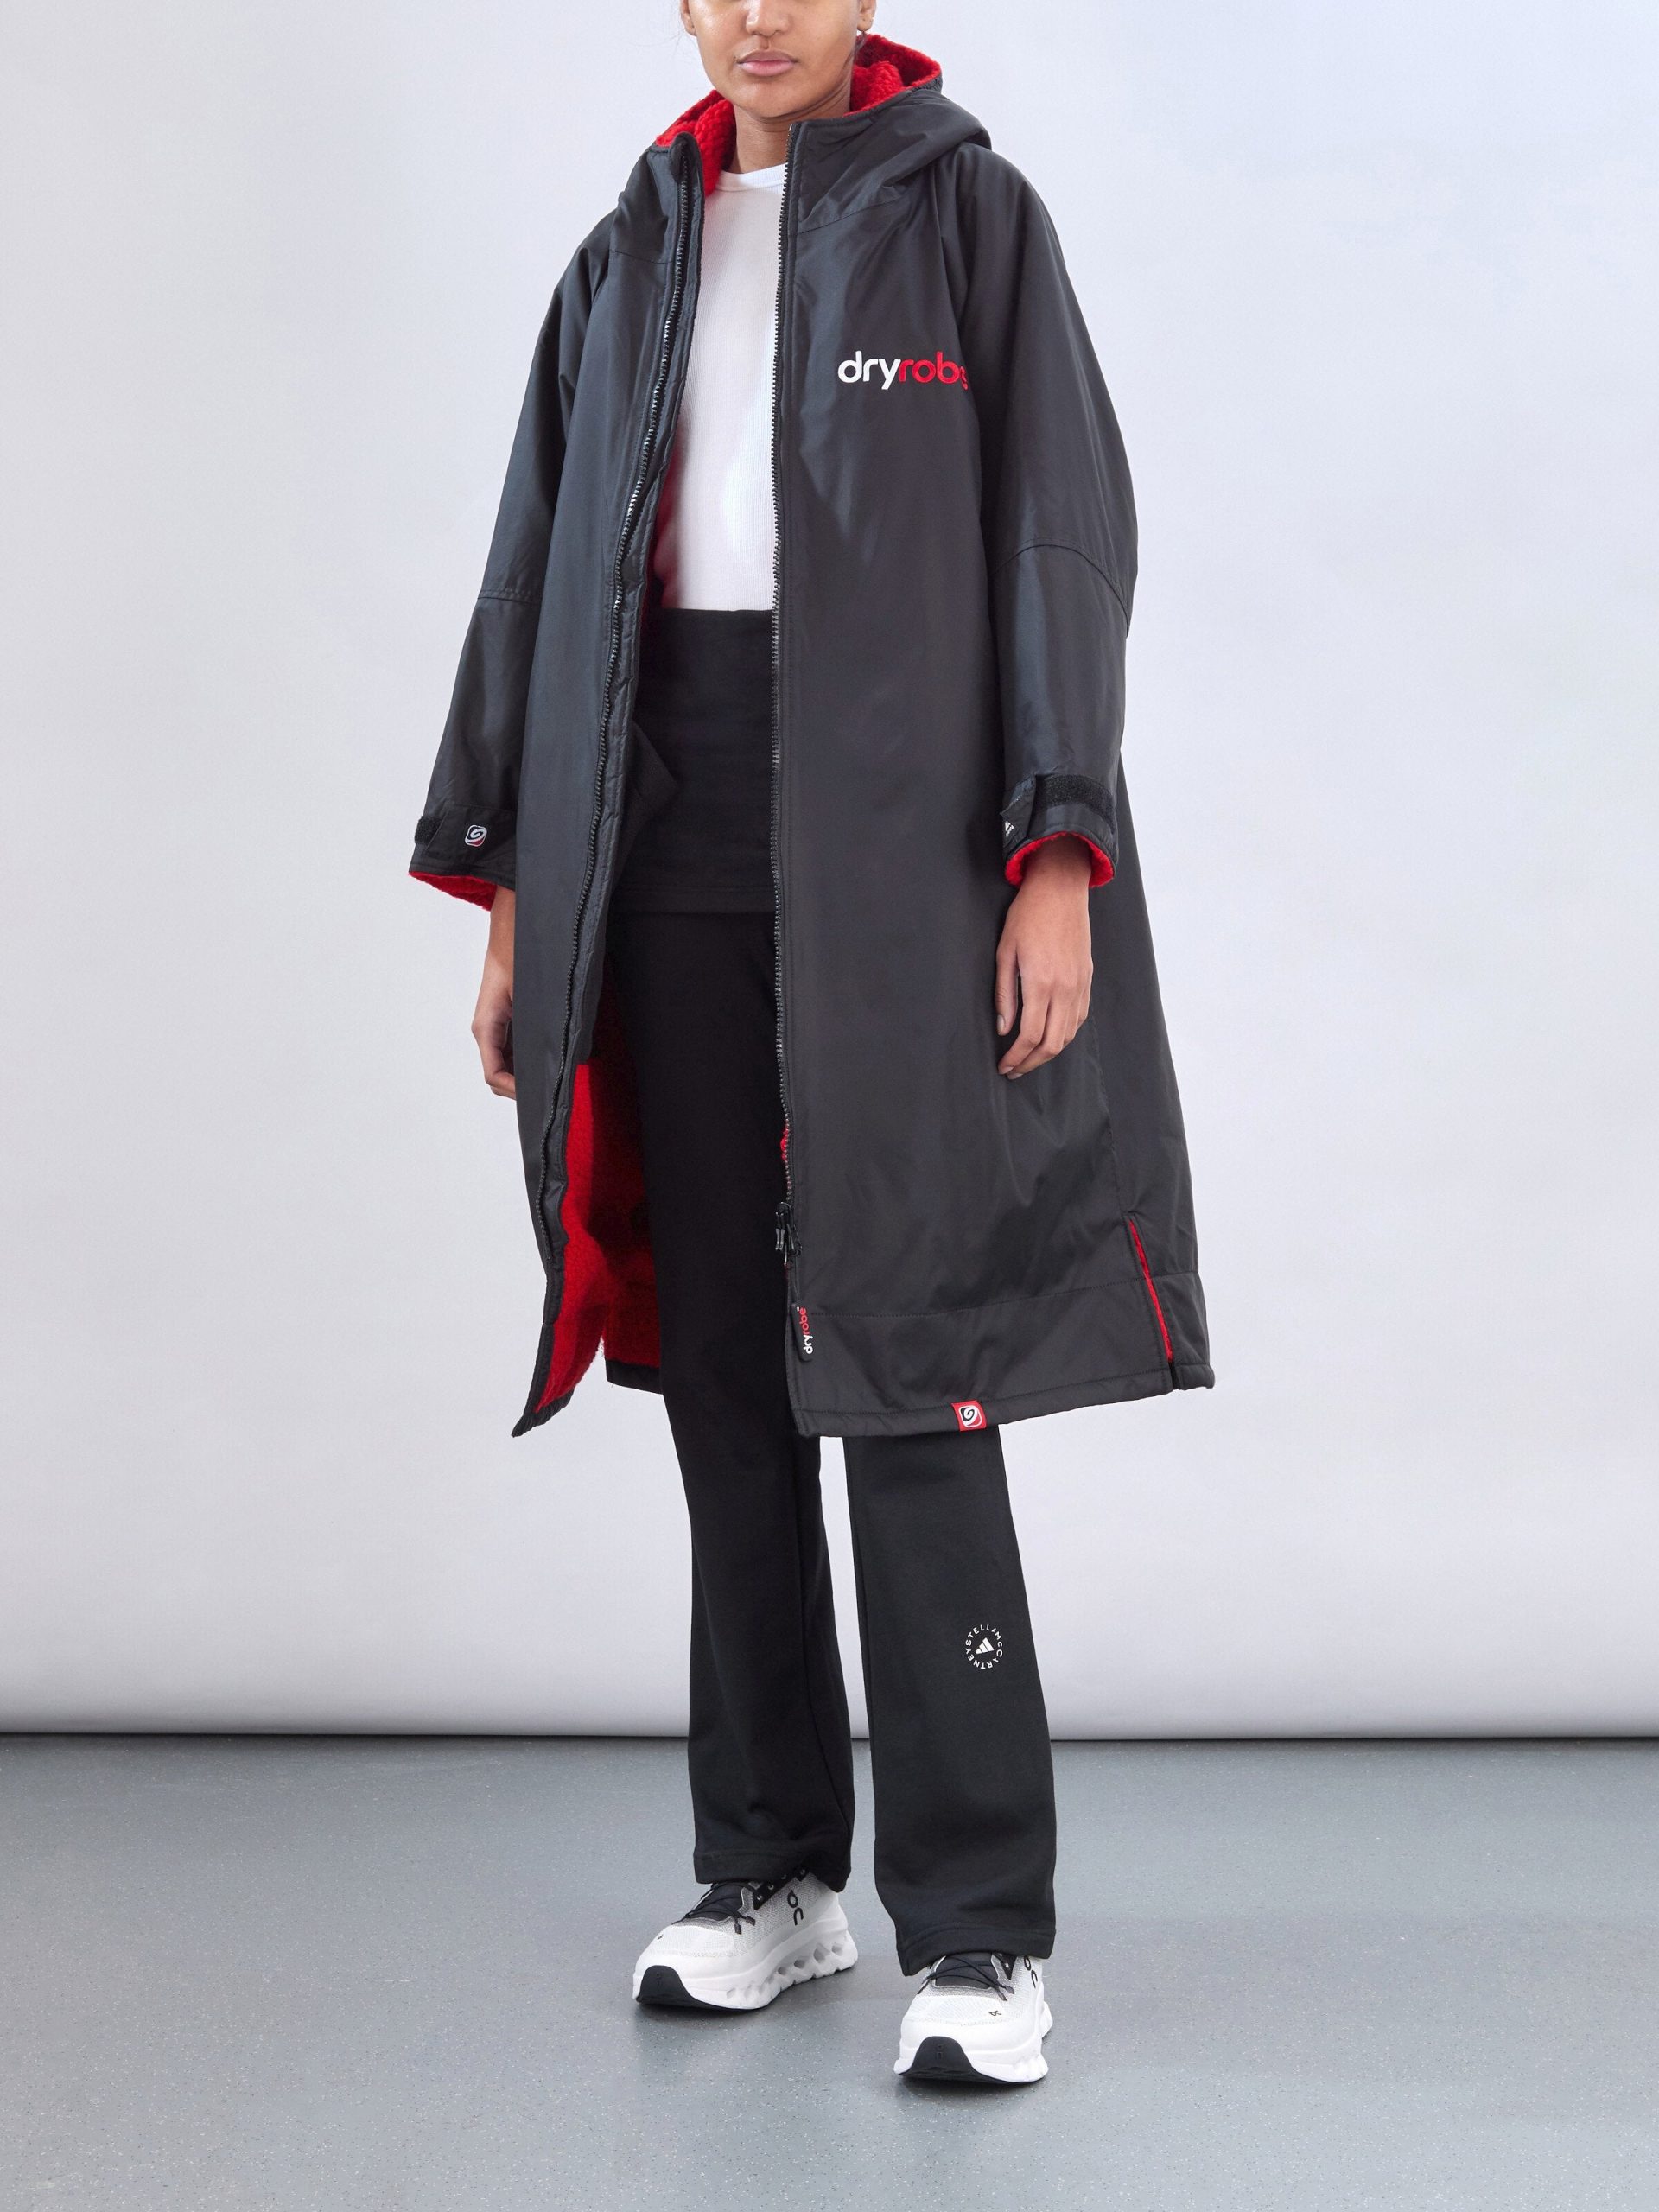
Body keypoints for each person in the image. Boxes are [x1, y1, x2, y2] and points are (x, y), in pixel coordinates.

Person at [410, 0, 1211, 2088]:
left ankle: (983, 1925)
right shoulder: (632, 245)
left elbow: (1064, 536)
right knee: (723, 1374)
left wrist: (1057, 843)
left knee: (915, 1349)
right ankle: (769, 1869)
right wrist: (518, 890)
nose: (757, 10)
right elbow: (536, 572)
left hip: (903, 850)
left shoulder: (971, 222)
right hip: (665, 839)